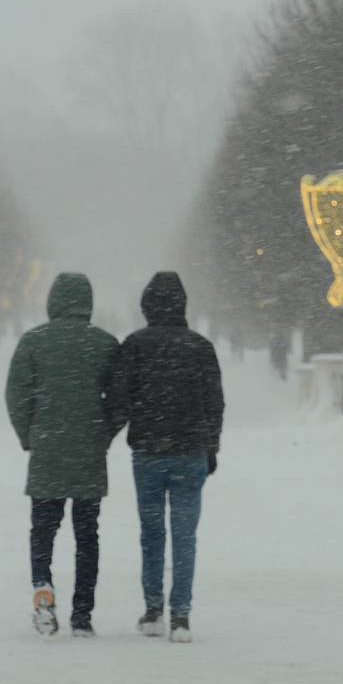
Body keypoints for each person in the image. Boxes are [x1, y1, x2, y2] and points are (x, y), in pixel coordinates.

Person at [5, 273, 122, 638]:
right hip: (88, 451)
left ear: (53, 300)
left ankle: (43, 587)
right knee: (87, 535)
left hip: (48, 451)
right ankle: (83, 614)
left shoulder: (33, 342)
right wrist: (102, 434)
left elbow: (16, 395)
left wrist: (30, 436)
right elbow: (120, 402)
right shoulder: (104, 344)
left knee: (44, 529)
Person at [114, 272, 224, 643]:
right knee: (184, 535)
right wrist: (211, 447)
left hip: (147, 452)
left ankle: (152, 610)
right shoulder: (200, 347)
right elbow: (214, 404)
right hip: (190, 452)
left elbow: (119, 400)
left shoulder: (135, 345)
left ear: (146, 306)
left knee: (151, 533)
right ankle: (181, 616)